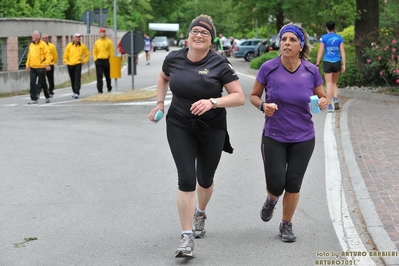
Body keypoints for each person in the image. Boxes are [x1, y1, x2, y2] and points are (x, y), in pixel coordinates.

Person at [148, 14, 245, 258]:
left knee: (205, 178)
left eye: (204, 33)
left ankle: (200, 211)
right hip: (179, 124)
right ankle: (186, 236)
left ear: (211, 39)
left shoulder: (220, 64)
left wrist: (213, 101)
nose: (199, 35)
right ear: (189, 35)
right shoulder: (174, 58)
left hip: (212, 128)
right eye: (195, 31)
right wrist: (160, 103)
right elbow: (163, 77)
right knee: (187, 178)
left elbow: (238, 97)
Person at [249, 23, 328, 243]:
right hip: (274, 136)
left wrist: (323, 101)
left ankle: (286, 224)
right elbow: (254, 95)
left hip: (303, 137)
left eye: (292, 40)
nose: (286, 43)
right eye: (284, 39)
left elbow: (322, 96)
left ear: (301, 45)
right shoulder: (268, 68)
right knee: (276, 184)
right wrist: (262, 106)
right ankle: (272, 199)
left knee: (293, 183)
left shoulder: (311, 70)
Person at [316, 21, 346, 112]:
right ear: (334, 27)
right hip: (337, 61)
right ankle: (335, 99)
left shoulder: (323, 38)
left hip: (327, 62)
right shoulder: (339, 38)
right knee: (334, 83)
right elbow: (342, 51)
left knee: (328, 84)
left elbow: (320, 52)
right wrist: (344, 64)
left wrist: (317, 63)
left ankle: (329, 106)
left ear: (326, 28)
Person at [25, 30, 51, 104]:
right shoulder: (31, 45)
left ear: (38, 37)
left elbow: (47, 54)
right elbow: (29, 55)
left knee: (43, 82)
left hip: (41, 67)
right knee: (32, 82)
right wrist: (27, 65)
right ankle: (34, 98)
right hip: (33, 67)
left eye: (34, 35)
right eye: (32, 35)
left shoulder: (43, 44)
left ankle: (47, 95)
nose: (32, 36)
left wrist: (47, 64)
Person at [63, 33, 90, 99]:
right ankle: (74, 91)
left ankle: (77, 92)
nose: (78, 38)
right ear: (74, 38)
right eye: (77, 37)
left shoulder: (82, 46)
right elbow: (65, 55)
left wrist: (84, 61)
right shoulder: (69, 46)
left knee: (77, 78)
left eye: (79, 37)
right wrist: (67, 62)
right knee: (72, 78)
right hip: (70, 64)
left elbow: (87, 54)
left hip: (78, 64)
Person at [93, 28, 114, 93]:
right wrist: (95, 59)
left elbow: (111, 52)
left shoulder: (109, 42)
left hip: (106, 60)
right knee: (99, 76)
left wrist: (111, 60)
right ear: (99, 33)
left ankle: (109, 87)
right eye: (102, 32)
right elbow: (95, 51)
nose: (103, 33)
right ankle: (99, 89)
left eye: (104, 32)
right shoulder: (97, 42)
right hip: (99, 60)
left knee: (107, 75)